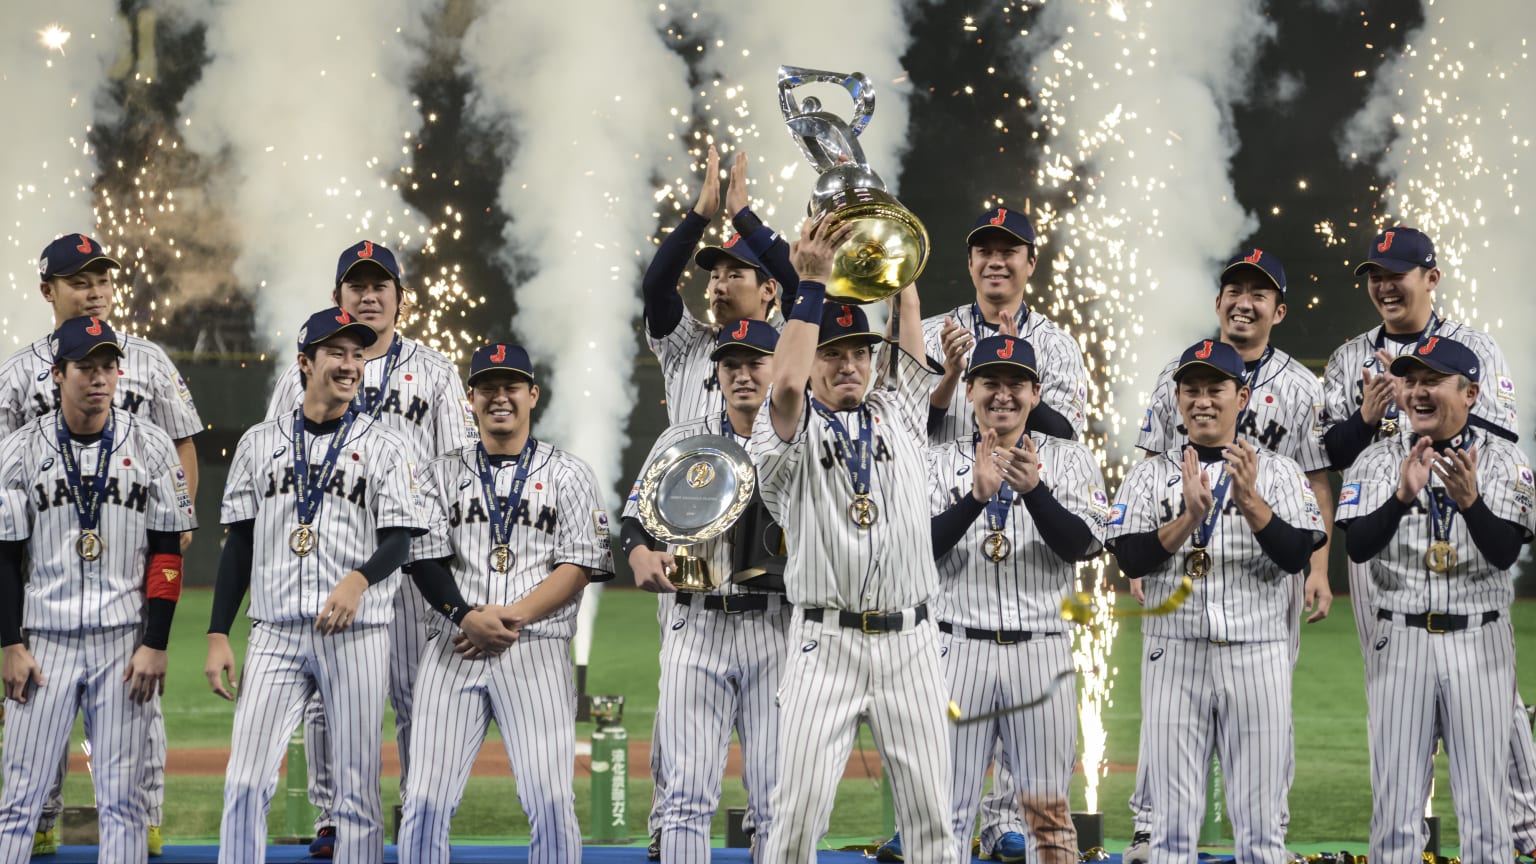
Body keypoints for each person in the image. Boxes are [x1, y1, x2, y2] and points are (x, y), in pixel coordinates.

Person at [1320, 225, 1536, 851]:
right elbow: (1331, 452)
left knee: (1492, 724)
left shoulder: (1476, 348)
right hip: (1386, 529)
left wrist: (1417, 401)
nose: (1384, 285)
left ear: (1430, 278)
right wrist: (1371, 416)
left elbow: (1496, 431)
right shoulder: (1348, 358)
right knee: (1391, 686)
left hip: (1467, 541)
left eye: (1398, 273)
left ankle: (1524, 822)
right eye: (1374, 275)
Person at [750, 215, 957, 864]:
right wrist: (809, 284)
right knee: (795, 820)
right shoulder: (785, 432)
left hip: (913, 645)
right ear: (811, 362)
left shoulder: (898, 409)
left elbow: (907, 316)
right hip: (826, 643)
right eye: (833, 354)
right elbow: (782, 383)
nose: (849, 364)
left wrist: (898, 259)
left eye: (860, 352)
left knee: (931, 824)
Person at [1122, 248, 1333, 862]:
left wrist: (1256, 505)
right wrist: (1181, 520)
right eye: (1192, 390)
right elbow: (1134, 528)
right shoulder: (1164, 433)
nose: (1201, 400)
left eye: (1215, 388)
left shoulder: (1286, 442)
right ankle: (1149, 830)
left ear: (1240, 395)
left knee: (1261, 819)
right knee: (1171, 826)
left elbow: (1302, 531)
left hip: (1258, 636)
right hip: (1179, 636)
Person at [264, 241, 469, 857]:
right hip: (332, 561)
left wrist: (447, 557)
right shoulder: (300, 371)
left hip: (411, 564)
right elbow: (276, 450)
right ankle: (334, 817)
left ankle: (416, 813)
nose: (370, 294)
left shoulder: (433, 371)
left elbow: (457, 467)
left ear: (402, 301)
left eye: (381, 286)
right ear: (338, 299)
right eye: (357, 286)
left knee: (415, 694)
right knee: (329, 698)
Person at [0, 234, 203, 857]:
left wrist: (178, 515)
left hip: (125, 562)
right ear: (48, 290)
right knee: (27, 759)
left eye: (102, 279)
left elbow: (183, 443)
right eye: (79, 279)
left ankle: (144, 823)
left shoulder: (145, 359)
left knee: (133, 743)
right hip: (44, 576)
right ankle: (40, 822)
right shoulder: (17, 375)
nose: (94, 290)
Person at [207, 307, 422, 864]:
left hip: (356, 633)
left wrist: (359, 578)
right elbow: (239, 547)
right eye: (336, 353)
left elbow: (401, 540)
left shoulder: (386, 446)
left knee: (355, 794)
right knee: (246, 783)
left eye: (358, 354)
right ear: (305, 363)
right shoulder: (259, 444)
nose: (350, 365)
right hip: (275, 632)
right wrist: (216, 633)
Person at [397, 342, 614, 864]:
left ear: (532, 394)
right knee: (424, 799)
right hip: (454, 646)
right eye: (488, 387)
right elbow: (424, 561)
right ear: (469, 398)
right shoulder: (436, 473)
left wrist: (509, 618)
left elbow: (579, 565)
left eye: (511, 386)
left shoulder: (570, 473)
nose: (500, 397)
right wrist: (468, 618)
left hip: (534, 650)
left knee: (550, 799)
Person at [637, 145, 792, 858]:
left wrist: (744, 218)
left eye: (737, 270)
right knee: (684, 799)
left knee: (777, 799)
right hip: (693, 604)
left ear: (769, 293)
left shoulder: (795, 352)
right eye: (716, 270)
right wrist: (702, 215)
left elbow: (808, 281)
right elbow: (657, 284)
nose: (721, 279)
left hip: (774, 611)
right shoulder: (689, 350)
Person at [927, 335, 1107, 864]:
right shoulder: (938, 463)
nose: (1001, 395)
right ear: (969, 390)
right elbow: (915, 550)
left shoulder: (1070, 461)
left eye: (1014, 384)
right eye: (989, 382)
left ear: (1035, 393)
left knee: (1048, 818)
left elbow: (1086, 545)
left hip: (1042, 651)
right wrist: (975, 499)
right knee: (945, 814)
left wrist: (1035, 493)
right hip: (957, 649)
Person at [621, 320, 789, 862]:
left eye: (755, 362)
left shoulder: (797, 437)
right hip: (696, 624)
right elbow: (634, 519)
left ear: (776, 367)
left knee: (774, 798)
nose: (742, 375)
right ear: (716, 373)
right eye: (731, 364)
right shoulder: (682, 438)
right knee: (686, 796)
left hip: (777, 626)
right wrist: (638, 551)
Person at [923, 206, 1088, 445]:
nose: (995, 262)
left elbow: (1064, 436)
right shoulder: (928, 335)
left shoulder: (1058, 345)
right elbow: (903, 431)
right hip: (943, 481)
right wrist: (951, 376)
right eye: (985, 252)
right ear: (970, 262)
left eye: (1008, 252)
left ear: (1031, 263)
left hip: (1025, 480)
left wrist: (1018, 369)